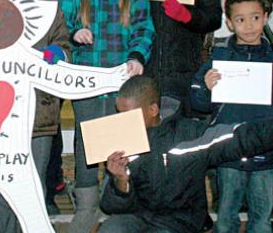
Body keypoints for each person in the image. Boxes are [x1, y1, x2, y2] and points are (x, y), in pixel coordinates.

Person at [60, 0, 154, 233]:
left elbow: (143, 28)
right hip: (87, 79)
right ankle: (86, 206)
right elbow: (63, 24)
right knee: (87, 143)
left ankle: (116, 200)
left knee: (121, 141)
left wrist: (137, 56)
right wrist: (75, 33)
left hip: (121, 78)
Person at [99, 75, 273, 233]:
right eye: (119, 113)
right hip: (139, 216)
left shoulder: (189, 134)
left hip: (180, 220)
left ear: (153, 110)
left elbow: (241, 138)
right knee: (110, 229)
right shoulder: (123, 141)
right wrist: (120, 180)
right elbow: (109, 206)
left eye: (127, 114)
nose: (122, 120)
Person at [0, 0, 70, 233]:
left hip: (39, 115)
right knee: (5, 188)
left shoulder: (50, 7)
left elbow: (63, 44)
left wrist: (57, 54)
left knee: (32, 186)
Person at [190, 0, 273, 233]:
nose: (249, 25)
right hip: (229, 154)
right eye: (240, 19)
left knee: (262, 220)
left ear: (266, 17)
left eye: (255, 18)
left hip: (267, 155)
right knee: (225, 219)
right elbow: (198, 104)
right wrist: (205, 87)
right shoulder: (219, 58)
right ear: (228, 22)